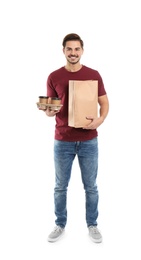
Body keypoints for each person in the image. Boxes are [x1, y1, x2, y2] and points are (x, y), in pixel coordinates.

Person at [44, 33, 109, 243]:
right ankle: (59, 224)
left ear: (82, 50)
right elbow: (50, 107)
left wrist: (100, 120)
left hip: (89, 139)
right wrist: (49, 111)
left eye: (77, 49)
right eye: (69, 49)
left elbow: (104, 103)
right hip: (62, 140)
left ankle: (93, 224)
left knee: (91, 186)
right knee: (60, 186)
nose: (73, 53)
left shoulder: (94, 74)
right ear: (63, 50)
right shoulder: (54, 76)